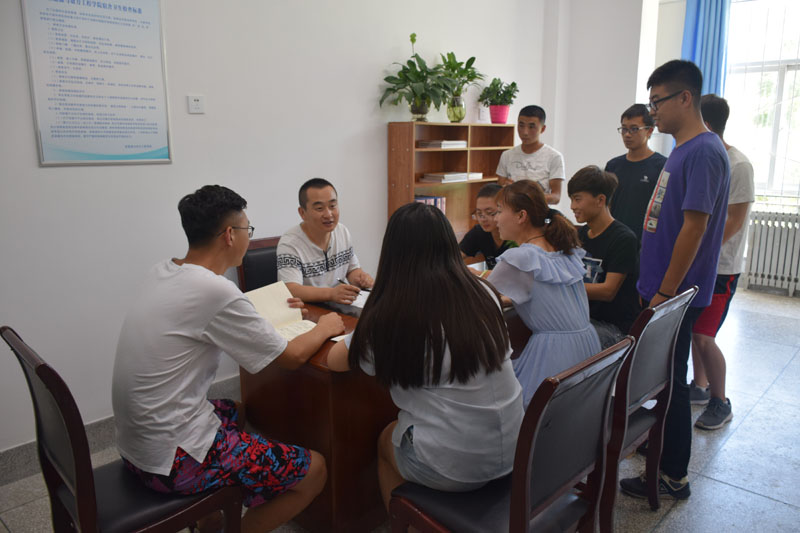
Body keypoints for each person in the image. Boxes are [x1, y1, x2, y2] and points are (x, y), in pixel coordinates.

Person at [112, 185, 345, 533]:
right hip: (172, 460)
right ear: (229, 235)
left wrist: (275, 312)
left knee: (235, 410)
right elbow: (291, 356)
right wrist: (325, 326)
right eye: (247, 229)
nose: (249, 237)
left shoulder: (164, 270)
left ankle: (211, 513)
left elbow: (217, 316)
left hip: (136, 443)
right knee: (316, 470)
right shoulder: (215, 290)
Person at [325, 202, 523, 510]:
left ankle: (404, 522)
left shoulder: (393, 313)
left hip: (456, 466)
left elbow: (335, 361)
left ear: (393, 253)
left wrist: (329, 327)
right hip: (515, 446)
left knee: (385, 440)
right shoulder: (484, 292)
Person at [619, 60, 730, 502]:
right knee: (663, 378)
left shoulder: (703, 151)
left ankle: (673, 475)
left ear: (685, 98)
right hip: (662, 289)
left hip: (675, 294)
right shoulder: (684, 149)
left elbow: (694, 228)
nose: (653, 113)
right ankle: (662, 449)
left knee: (672, 382)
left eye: (657, 102)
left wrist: (665, 293)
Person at [487, 180, 601, 408]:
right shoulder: (565, 250)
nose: (495, 219)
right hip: (588, 346)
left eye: (499, 211)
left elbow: (480, 299)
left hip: (554, 355)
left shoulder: (520, 257)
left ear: (521, 216)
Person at [690, 94, 755, 430]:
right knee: (694, 331)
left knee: (704, 336)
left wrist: (700, 250)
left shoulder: (738, 164)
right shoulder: (699, 158)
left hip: (721, 268)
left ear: (706, 124)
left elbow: (734, 220)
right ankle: (700, 387)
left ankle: (721, 401)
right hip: (697, 262)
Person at [568, 165, 641, 348]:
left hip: (614, 328)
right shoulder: (581, 234)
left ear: (600, 200)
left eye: (577, 199)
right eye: (571, 200)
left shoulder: (624, 239)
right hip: (584, 319)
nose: (572, 206)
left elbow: (608, 291)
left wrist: (563, 287)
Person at [277, 178, 373, 305]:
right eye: (319, 208)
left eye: (332, 206)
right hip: (310, 309)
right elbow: (291, 289)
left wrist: (361, 278)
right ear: (302, 213)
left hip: (340, 305)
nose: (328, 214)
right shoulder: (290, 243)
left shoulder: (342, 232)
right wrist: (331, 294)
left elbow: (352, 270)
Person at [605, 103, 668, 242]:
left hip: (646, 241)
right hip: (616, 240)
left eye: (634, 129)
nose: (627, 134)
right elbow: (606, 206)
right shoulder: (613, 166)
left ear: (649, 131)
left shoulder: (662, 166)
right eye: (624, 129)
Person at [496, 105, 565, 204]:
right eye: (521, 125)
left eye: (531, 127)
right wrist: (506, 188)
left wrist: (528, 197)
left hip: (539, 211)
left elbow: (556, 197)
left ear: (542, 129)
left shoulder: (554, 157)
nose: (525, 132)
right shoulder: (507, 155)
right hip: (511, 210)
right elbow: (499, 190)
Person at [459, 183, 514, 270]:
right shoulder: (479, 232)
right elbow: (454, 258)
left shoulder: (517, 237)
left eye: (489, 213)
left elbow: (511, 274)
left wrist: (475, 273)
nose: (483, 219)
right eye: (479, 213)